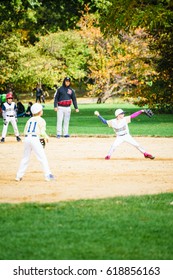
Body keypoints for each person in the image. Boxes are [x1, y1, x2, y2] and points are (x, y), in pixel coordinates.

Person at [15, 103, 54, 182]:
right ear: (40, 112)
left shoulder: (29, 120)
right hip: (35, 139)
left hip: (27, 139)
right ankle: (48, 175)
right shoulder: (41, 120)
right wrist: (46, 137)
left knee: (25, 158)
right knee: (42, 158)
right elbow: (42, 132)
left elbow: (25, 131)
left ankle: (18, 176)